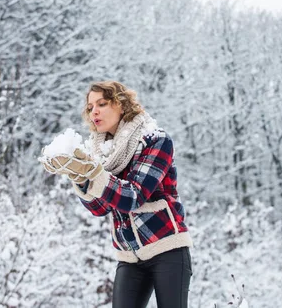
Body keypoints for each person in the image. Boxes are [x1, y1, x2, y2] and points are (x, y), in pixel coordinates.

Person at [41, 81, 193, 308]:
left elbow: (133, 197)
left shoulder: (155, 140)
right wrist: (80, 177)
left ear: (121, 105)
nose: (95, 111)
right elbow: (100, 208)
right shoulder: (102, 153)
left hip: (166, 249)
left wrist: (95, 173)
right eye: (90, 107)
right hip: (130, 257)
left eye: (102, 103)